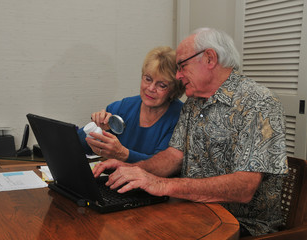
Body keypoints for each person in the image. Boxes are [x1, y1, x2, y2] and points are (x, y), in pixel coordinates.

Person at [92, 28, 288, 237]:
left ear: (210, 58)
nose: (178, 75)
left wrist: (162, 184)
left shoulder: (258, 103)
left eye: (182, 66)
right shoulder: (194, 103)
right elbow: (174, 156)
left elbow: (244, 187)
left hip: (240, 225)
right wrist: (134, 169)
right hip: (191, 210)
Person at [78, 46, 185, 163]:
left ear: (174, 90)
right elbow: (77, 144)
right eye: (148, 79)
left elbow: (162, 165)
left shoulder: (181, 118)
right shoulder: (123, 107)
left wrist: (124, 154)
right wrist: (97, 130)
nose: (151, 88)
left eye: (162, 85)